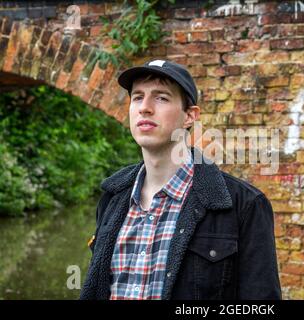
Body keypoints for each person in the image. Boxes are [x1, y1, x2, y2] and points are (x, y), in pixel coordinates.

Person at [80, 59, 281, 300]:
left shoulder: (245, 205)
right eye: (137, 97)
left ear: (189, 116)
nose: (145, 107)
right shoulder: (113, 198)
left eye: (161, 98)